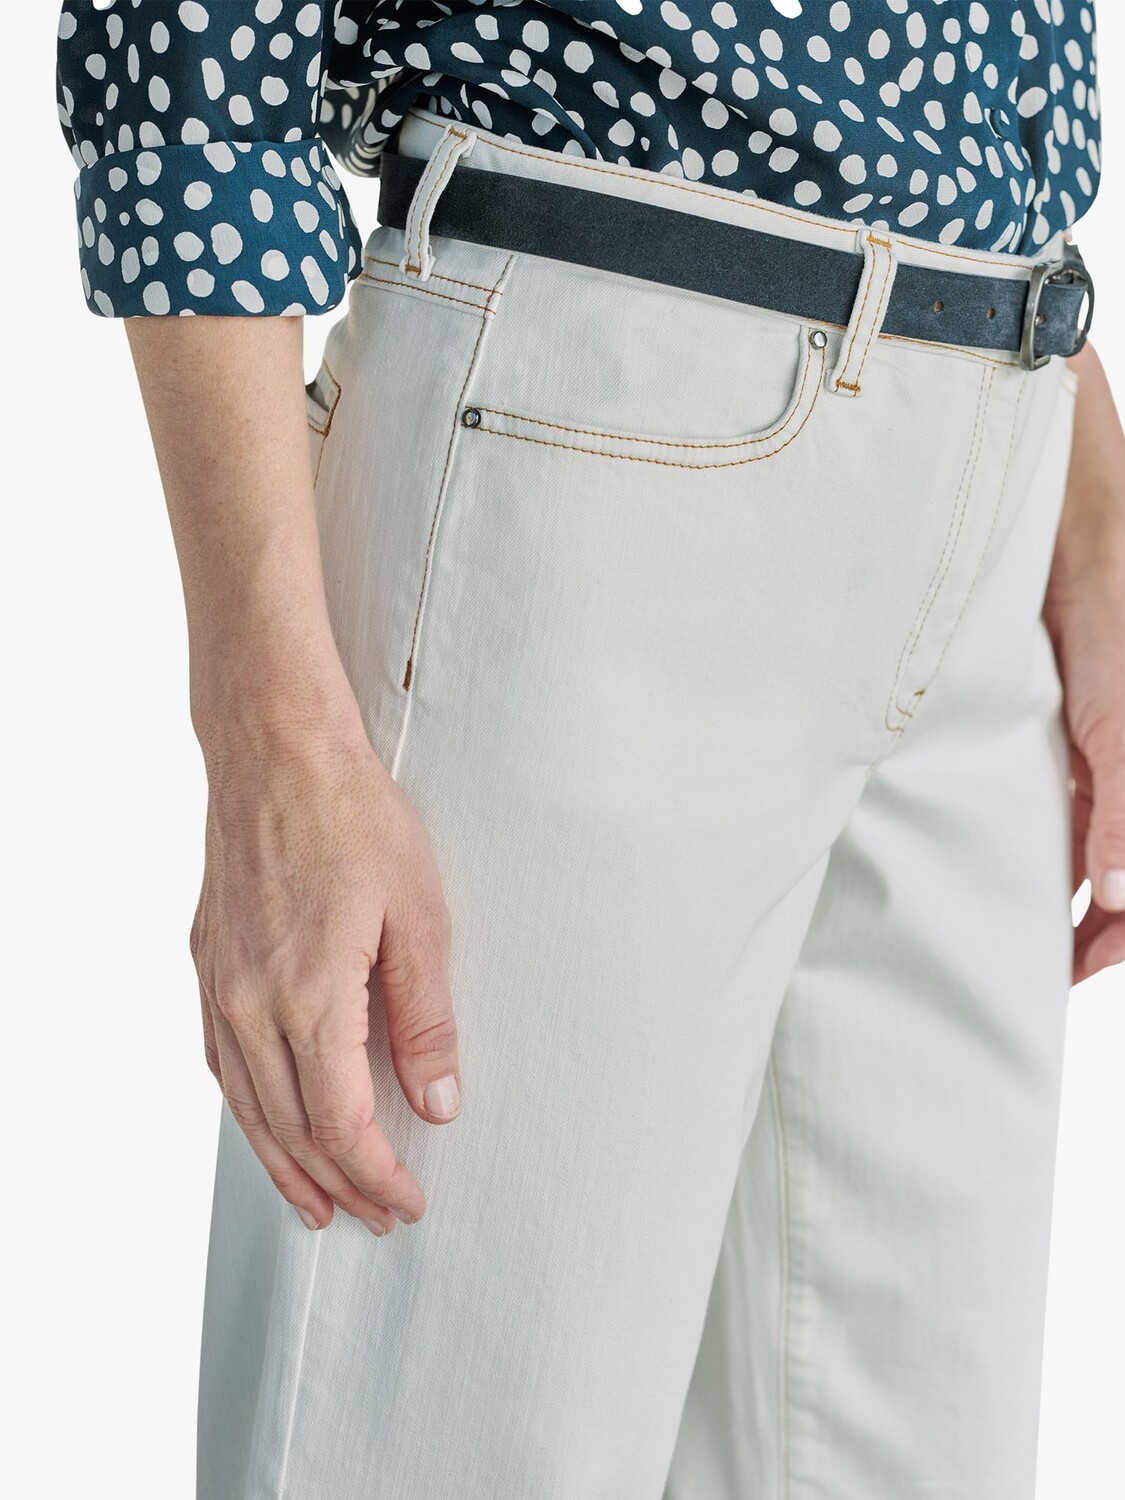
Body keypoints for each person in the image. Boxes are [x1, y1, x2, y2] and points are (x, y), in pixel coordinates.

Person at [56, 2, 1122, 1496]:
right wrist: (271, 729)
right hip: (594, 404)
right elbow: (191, 44)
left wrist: (1085, 489)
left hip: (1000, 429)